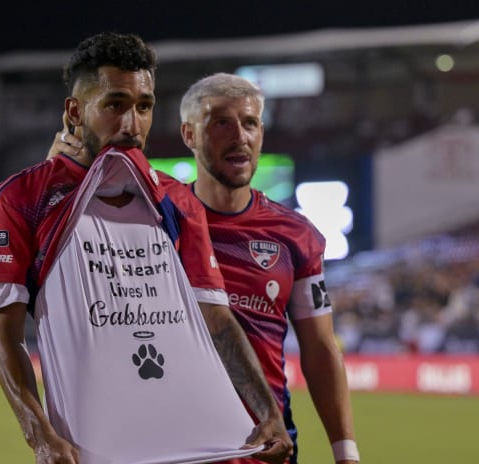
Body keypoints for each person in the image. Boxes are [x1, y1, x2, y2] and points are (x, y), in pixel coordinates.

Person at [0, 33, 292, 464]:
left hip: (185, 441)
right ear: (75, 111)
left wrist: (268, 412)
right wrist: (40, 436)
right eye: (115, 105)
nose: (132, 124)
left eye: (144, 106)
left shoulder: (177, 202)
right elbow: (5, 336)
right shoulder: (19, 200)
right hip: (94, 448)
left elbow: (216, 319)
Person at [49, 73, 359, 463]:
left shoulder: (297, 235)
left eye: (250, 124)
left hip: (264, 447)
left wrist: (345, 451)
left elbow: (319, 346)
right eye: (221, 123)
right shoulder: (152, 218)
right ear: (189, 135)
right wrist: (58, 171)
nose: (240, 136)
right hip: (175, 446)